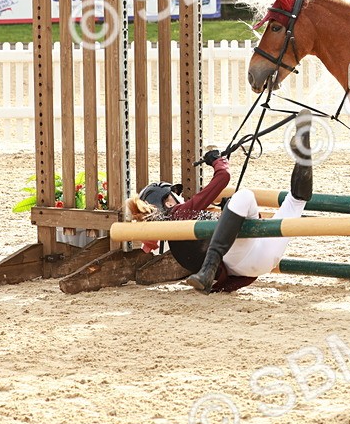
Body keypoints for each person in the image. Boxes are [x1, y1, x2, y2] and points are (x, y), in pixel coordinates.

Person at [125, 112, 314, 293]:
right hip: (248, 258)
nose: (181, 197)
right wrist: (217, 160)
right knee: (246, 196)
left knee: (295, 200)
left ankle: (303, 156)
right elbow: (224, 177)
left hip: (252, 264)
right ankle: (208, 268)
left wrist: (228, 212)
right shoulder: (178, 213)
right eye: (174, 195)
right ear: (167, 203)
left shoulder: (174, 243)